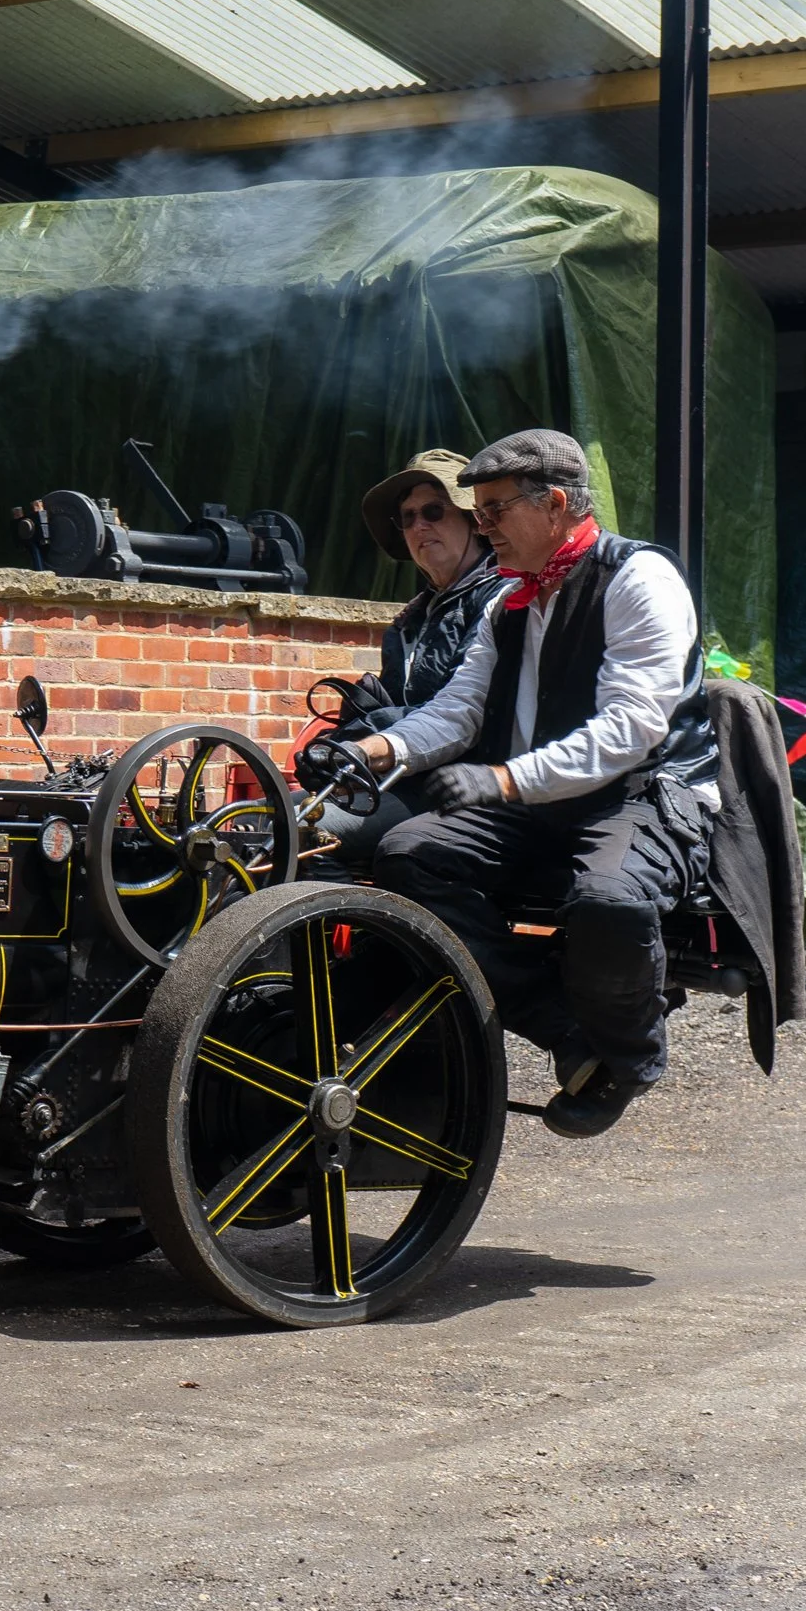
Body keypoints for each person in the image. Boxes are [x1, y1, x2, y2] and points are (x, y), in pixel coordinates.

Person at [355, 428, 717, 1139]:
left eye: (492, 510)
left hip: (642, 791)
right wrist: (376, 747)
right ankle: (560, 1023)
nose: (480, 526)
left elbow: (627, 733)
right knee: (406, 855)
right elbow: (458, 713)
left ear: (555, 504)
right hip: (538, 798)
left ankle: (630, 1056)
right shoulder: (510, 601)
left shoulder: (640, 578)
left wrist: (505, 777)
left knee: (609, 899)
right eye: (479, 512)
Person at [304, 450, 504, 864]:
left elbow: (460, 714)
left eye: (434, 511)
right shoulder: (408, 623)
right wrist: (342, 743)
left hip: (461, 786)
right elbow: (396, 707)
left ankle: (360, 926)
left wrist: (356, 744)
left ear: (473, 520)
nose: (419, 526)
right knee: (263, 821)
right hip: (399, 778)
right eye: (408, 517)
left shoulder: (500, 600)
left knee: (309, 836)